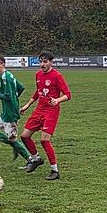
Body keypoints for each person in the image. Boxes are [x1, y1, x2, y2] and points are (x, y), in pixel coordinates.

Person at [19, 51, 71, 180]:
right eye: (40, 61)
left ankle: (55, 170)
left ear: (51, 62)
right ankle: (36, 159)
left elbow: (68, 95)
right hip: (39, 110)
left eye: (45, 61)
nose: (42, 64)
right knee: (25, 136)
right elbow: (38, 91)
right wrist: (28, 105)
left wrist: (57, 100)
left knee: (44, 140)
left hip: (51, 111)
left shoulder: (57, 76)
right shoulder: (38, 74)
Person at [0, 55, 32, 162]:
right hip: (5, 112)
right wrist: (15, 99)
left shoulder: (6, 78)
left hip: (10, 114)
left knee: (13, 140)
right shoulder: (6, 75)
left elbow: (8, 96)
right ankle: (14, 145)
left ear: (3, 64)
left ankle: (30, 159)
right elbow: (21, 87)